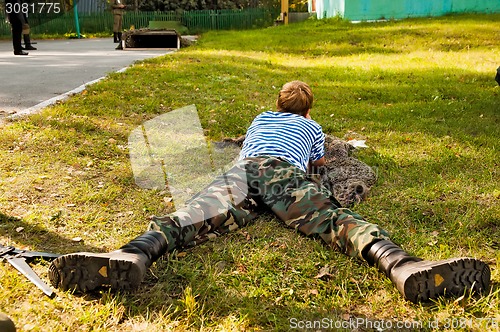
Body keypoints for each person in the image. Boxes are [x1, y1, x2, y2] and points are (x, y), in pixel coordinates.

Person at [48, 81, 491, 303]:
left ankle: (133, 253)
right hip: (282, 174)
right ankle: (402, 265)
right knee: (334, 220)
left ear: (275, 105)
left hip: (244, 171)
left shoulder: (260, 120)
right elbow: (319, 162)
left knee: (191, 215)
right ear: (308, 109)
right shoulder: (312, 127)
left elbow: (249, 142)